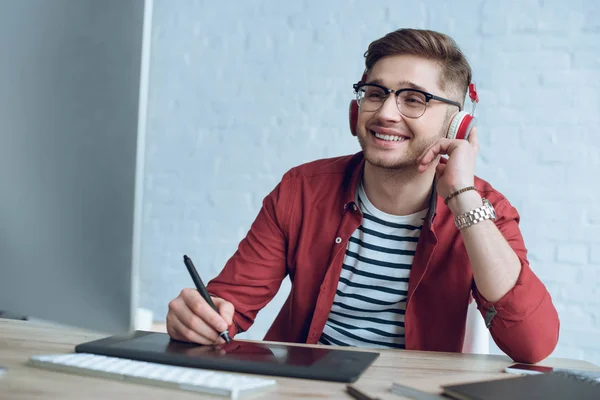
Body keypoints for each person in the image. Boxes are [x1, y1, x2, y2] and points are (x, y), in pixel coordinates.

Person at [166, 28, 559, 363]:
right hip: (303, 387)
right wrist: (198, 318)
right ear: (357, 109)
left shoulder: (485, 210)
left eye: (413, 99)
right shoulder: (302, 189)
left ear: (456, 125)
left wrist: (461, 195)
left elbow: (533, 345)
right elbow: (227, 308)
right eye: (376, 93)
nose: (386, 113)